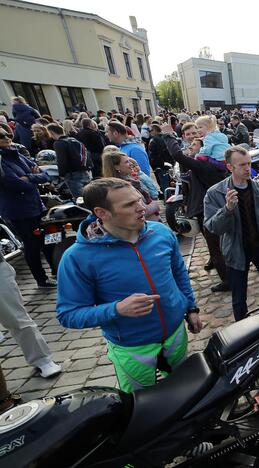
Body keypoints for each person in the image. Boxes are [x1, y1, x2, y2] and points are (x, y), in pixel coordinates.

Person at [56, 178, 202, 392]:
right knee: (142, 408)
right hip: (132, 348)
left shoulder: (160, 232)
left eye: (139, 200)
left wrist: (191, 308)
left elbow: (179, 273)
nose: (142, 207)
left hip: (176, 335)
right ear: (101, 213)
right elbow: (68, 314)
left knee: (184, 390)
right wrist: (116, 309)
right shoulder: (77, 258)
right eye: (129, 205)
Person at [204, 146, 259, 321]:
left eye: (249, 163)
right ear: (230, 167)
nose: (248, 168)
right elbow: (212, 227)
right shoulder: (215, 193)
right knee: (239, 297)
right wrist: (227, 209)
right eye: (242, 165)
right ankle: (244, 332)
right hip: (236, 250)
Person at [0, 161, 62, 378]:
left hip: (30, 210)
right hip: (22, 210)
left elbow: (22, 180)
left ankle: (42, 359)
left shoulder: (13, 158)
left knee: (15, 316)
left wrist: (30, 178)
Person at [161, 123, 230, 291]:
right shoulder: (212, 164)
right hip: (212, 208)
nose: (191, 146)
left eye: (195, 145)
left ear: (204, 150)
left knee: (216, 248)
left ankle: (228, 281)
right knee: (219, 245)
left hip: (208, 210)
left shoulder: (203, 165)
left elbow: (178, 155)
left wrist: (168, 135)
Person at [0, 128, 56, 287]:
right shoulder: (2, 160)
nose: (6, 138)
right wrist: (32, 179)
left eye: (8, 134)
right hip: (18, 211)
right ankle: (41, 279)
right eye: (1, 136)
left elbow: (45, 175)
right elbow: (14, 183)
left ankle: (56, 271)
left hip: (36, 205)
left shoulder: (16, 154)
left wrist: (29, 177)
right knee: (32, 245)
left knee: (48, 240)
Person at [101, 149, 161, 222]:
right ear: (116, 167)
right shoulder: (122, 187)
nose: (131, 164)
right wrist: (155, 205)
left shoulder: (132, 180)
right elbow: (138, 211)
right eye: (127, 162)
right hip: (145, 226)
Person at [46, 123, 91, 198]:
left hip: (72, 175)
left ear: (51, 133)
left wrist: (61, 174)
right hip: (84, 171)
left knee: (80, 198)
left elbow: (62, 160)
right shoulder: (74, 140)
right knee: (89, 195)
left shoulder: (59, 143)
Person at [147, 124, 174, 191]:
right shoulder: (166, 138)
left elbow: (152, 154)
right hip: (170, 164)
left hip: (160, 166)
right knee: (171, 183)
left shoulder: (153, 140)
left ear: (155, 130)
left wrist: (153, 165)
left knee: (165, 185)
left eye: (150, 130)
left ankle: (167, 199)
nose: (149, 132)